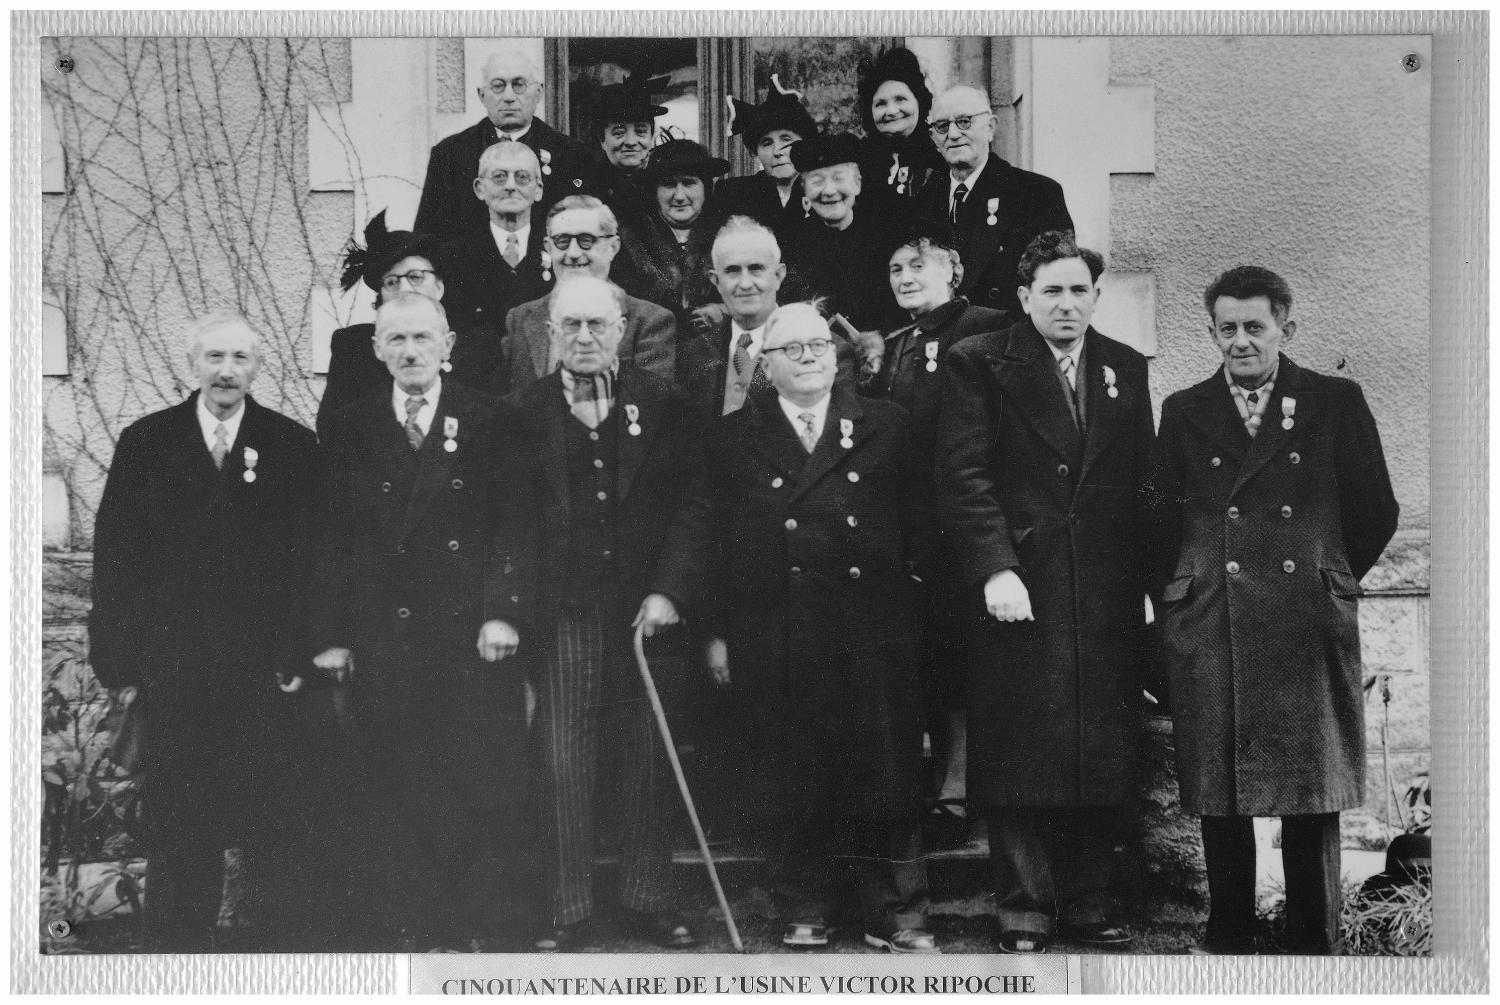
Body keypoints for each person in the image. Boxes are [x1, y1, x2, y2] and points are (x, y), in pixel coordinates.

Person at [653, 302, 937, 955]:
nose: (810, 356)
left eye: (819, 346)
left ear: (837, 359)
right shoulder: (730, 437)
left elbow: (924, 524)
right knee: (794, 764)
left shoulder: (887, 424)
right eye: (793, 348)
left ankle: (895, 907)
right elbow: (709, 537)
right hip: (777, 628)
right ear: (764, 363)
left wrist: (920, 612)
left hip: (873, 626)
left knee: (883, 766)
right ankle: (804, 899)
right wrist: (715, 628)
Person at [1151, 265, 1398, 955]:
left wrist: (1330, 577)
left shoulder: (1334, 401)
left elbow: (1376, 507)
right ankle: (1227, 933)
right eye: (1225, 328)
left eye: (1254, 327)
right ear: (1211, 332)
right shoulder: (1184, 409)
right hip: (1212, 619)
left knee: (1309, 790)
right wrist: (1178, 597)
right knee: (1220, 790)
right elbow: (1153, 518)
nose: (1240, 342)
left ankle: (1312, 942)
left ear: (1286, 328)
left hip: (1304, 620)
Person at [936, 231, 1155, 954]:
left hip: (1104, 587)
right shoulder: (979, 362)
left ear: (1097, 296)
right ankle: (1024, 905)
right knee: (1019, 744)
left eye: (1079, 290)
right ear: (1025, 297)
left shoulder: (1123, 367)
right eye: (1051, 290)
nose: (1067, 303)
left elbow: (1142, 484)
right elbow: (963, 476)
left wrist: (1153, 586)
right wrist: (995, 567)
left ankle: (1092, 901)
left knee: (1101, 743)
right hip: (1019, 585)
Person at [89, 313, 318, 952]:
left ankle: (270, 952)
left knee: (268, 816)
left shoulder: (290, 444)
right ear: (193, 363)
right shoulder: (147, 442)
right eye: (215, 357)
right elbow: (117, 559)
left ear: (256, 368)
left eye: (240, 358)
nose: (226, 371)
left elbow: (309, 558)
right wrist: (123, 668)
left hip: (262, 670)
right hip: (174, 669)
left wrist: (296, 650)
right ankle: (176, 953)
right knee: (181, 822)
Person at [310, 292, 528, 949]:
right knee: (394, 778)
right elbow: (330, 539)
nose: (410, 352)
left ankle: (476, 922)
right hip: (385, 633)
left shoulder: (489, 418)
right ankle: (409, 919)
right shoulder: (350, 426)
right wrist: (331, 634)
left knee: (472, 775)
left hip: (469, 634)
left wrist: (503, 613)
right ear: (377, 349)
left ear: (448, 344)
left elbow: (513, 526)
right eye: (396, 339)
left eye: (422, 338)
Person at [491, 276, 702, 952]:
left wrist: (670, 589)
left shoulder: (664, 401)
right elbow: (509, 522)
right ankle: (567, 906)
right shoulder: (520, 410)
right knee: (563, 758)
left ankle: (648, 899)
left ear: (622, 331)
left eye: (598, 326)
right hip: (565, 609)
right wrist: (508, 609)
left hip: (646, 609)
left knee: (648, 753)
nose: (584, 339)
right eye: (571, 326)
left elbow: (694, 505)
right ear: (550, 333)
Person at [862, 218, 1007, 850]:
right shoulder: (898, 342)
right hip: (908, 525)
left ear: (953, 272)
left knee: (963, 659)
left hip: (964, 521)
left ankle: (962, 794)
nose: (905, 277)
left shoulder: (986, 327)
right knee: (922, 655)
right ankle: (931, 790)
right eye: (896, 269)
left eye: (918, 266)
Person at [916, 86, 1073, 322]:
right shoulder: (923, 199)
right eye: (942, 126)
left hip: (1008, 344)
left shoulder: (1036, 193)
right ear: (933, 139)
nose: (954, 134)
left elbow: (1058, 285)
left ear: (990, 127)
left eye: (964, 122)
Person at [494, 195, 676, 394]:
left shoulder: (649, 321)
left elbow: (650, 404)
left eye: (586, 241)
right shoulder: (520, 318)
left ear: (613, 247)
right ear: (548, 247)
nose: (572, 253)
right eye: (562, 241)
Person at [415, 47, 596, 239]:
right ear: (482, 95)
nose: (509, 97)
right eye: (498, 86)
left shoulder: (573, 155)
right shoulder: (449, 155)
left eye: (519, 85)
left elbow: (589, 229)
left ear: (539, 92)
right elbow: (428, 237)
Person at [319, 211, 451, 437]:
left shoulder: (476, 346)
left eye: (416, 277)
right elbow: (333, 431)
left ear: (439, 287)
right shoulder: (353, 348)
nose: (405, 289)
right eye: (392, 282)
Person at [438, 142, 556, 386]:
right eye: (499, 177)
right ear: (480, 188)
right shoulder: (453, 257)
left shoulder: (560, 251)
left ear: (538, 189)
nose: (511, 186)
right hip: (477, 391)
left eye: (522, 177)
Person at [780, 132, 904, 332]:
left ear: (857, 183)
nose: (829, 191)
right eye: (817, 181)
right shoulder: (791, 244)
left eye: (839, 178)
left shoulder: (887, 238)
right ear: (804, 190)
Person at [674, 216, 786, 420]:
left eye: (756, 269)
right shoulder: (693, 355)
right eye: (732, 271)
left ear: (778, 276)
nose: (745, 283)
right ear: (716, 281)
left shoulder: (818, 348)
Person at [612, 138, 728, 319]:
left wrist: (722, 311)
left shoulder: (728, 237)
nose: (679, 196)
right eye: (669, 184)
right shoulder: (628, 241)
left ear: (705, 189)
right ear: (654, 192)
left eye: (689, 183)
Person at [711, 76, 817, 234]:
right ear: (754, 153)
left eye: (786, 139)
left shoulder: (822, 190)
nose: (777, 152)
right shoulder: (734, 194)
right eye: (767, 143)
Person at [855, 47, 945, 211]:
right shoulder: (857, 162)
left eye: (900, 99)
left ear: (919, 101)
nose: (891, 111)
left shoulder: (942, 160)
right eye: (880, 104)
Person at [589, 71, 669, 238]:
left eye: (641, 131)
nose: (631, 141)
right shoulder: (590, 189)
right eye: (619, 132)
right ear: (602, 139)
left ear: (652, 136)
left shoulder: (667, 186)